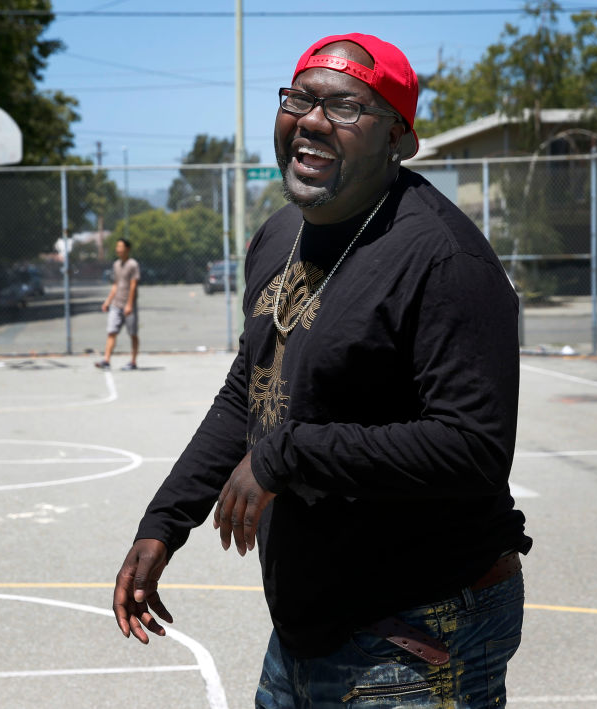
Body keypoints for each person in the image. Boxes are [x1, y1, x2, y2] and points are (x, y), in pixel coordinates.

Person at [113, 33, 531, 708]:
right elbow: (248, 389)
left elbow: (472, 446)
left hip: (417, 631)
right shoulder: (280, 234)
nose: (311, 119)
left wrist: (289, 456)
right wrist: (165, 521)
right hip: (308, 630)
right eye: (301, 99)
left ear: (400, 139)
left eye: (345, 106)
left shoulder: (444, 260)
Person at [95, 237, 139, 370]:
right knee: (111, 332)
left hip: (129, 306)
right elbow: (115, 285)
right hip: (116, 305)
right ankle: (106, 360)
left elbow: (133, 285)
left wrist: (129, 304)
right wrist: (107, 301)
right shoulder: (116, 265)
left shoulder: (133, 264)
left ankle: (133, 362)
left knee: (133, 334)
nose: (118, 249)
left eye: (120, 247)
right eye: (117, 247)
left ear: (127, 249)